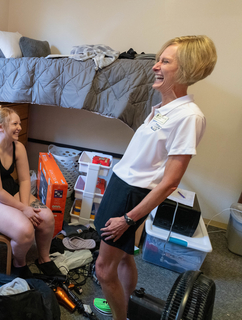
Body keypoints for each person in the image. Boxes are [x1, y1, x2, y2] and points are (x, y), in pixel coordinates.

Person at [93, 35, 217, 320]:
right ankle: (123, 305)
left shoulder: (189, 116)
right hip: (122, 184)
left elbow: (170, 182)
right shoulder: (164, 107)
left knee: (103, 268)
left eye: (165, 61)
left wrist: (127, 219)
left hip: (132, 195)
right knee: (124, 255)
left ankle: (119, 316)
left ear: (186, 69)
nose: (154, 66)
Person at [0, 108, 60, 278]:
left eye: (20, 123)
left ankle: (44, 259)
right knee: (25, 230)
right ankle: (19, 265)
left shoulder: (17, 147)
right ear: (1, 126)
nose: (19, 127)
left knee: (46, 218)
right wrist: (23, 210)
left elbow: (25, 180)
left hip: (9, 189)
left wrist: (25, 206)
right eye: (15, 124)